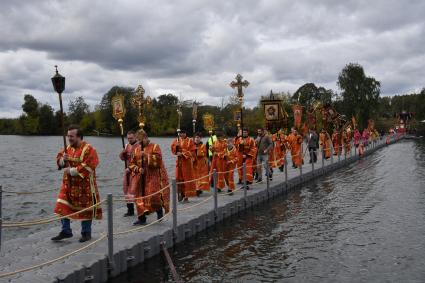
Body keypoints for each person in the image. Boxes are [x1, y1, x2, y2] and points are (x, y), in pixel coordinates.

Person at [51, 125, 102, 243]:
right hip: (68, 184)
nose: (69, 138)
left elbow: (91, 164)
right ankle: (66, 231)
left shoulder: (89, 149)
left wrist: (73, 171)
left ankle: (86, 233)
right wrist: (63, 160)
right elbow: (58, 159)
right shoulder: (68, 148)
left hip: (85, 186)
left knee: (85, 209)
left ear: (79, 137)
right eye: (68, 136)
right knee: (61, 205)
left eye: (71, 136)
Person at [129, 130, 170, 225]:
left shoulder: (155, 146)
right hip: (140, 177)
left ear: (146, 138)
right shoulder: (136, 150)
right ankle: (141, 218)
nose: (139, 142)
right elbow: (131, 164)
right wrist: (138, 169)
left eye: (141, 140)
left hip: (153, 175)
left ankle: (159, 210)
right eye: (138, 141)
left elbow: (159, 161)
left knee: (153, 195)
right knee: (139, 197)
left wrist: (147, 156)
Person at [171, 129, 196, 202]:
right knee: (178, 178)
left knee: (186, 179)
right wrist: (176, 147)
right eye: (181, 133)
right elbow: (172, 148)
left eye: (183, 133)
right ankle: (180, 193)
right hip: (179, 163)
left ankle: (186, 195)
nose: (182, 134)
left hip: (186, 163)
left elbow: (193, 152)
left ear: (185, 133)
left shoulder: (190, 141)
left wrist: (183, 153)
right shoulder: (177, 140)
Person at [119, 130, 138, 217]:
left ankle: (143, 210)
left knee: (136, 191)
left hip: (136, 172)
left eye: (131, 138)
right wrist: (122, 153)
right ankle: (130, 210)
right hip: (127, 172)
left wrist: (131, 168)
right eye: (128, 138)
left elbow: (140, 161)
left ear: (135, 137)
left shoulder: (139, 146)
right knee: (126, 190)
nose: (129, 140)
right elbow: (122, 158)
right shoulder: (126, 146)